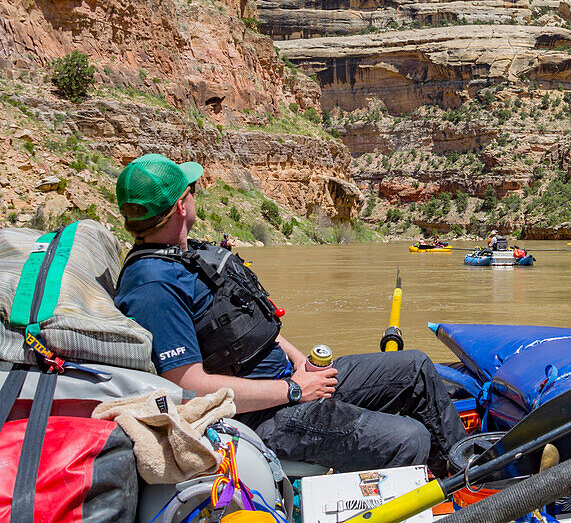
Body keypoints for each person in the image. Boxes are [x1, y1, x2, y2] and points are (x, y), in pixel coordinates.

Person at [112, 154, 465, 476]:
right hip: (265, 416)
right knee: (410, 438)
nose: (194, 196)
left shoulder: (189, 255)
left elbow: (255, 325)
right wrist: (294, 390)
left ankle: (467, 475)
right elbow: (186, 383)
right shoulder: (152, 287)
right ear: (180, 207)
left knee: (416, 366)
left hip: (291, 383)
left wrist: (300, 364)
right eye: (190, 191)